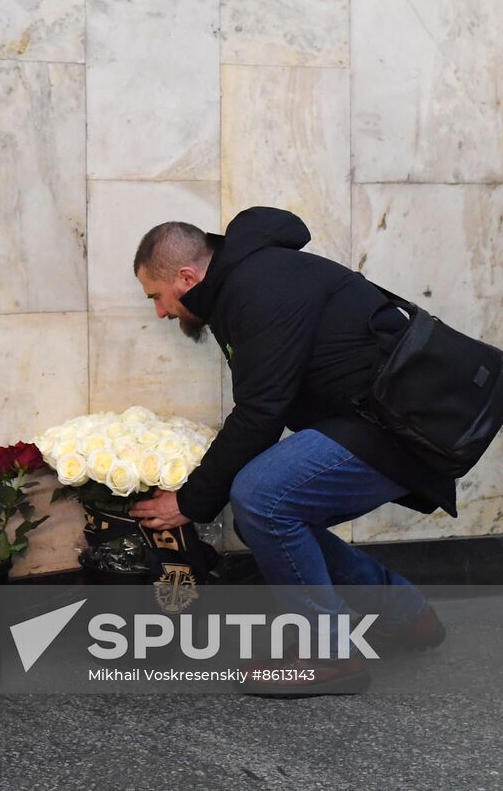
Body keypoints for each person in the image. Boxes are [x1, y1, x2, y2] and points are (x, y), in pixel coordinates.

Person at [128, 207, 449, 695]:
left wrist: (189, 501)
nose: (160, 311)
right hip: (375, 421)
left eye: (158, 296)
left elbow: (260, 411)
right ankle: (407, 614)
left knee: (261, 497)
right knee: (261, 510)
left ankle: (332, 655)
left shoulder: (255, 285)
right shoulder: (246, 280)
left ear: (187, 276)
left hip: (398, 426)